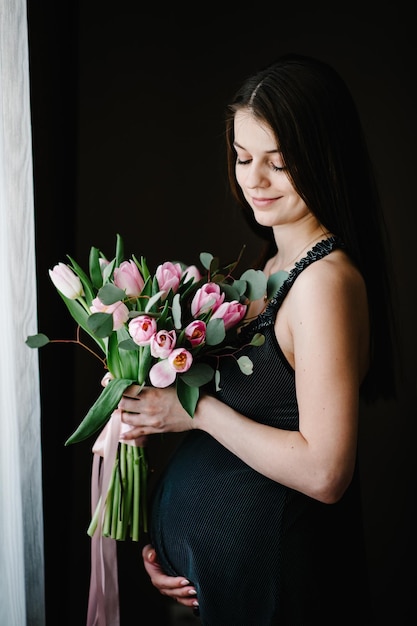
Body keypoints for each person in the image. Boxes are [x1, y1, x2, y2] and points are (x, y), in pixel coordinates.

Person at [116, 53, 397, 625]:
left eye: (279, 161)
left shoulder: (324, 284)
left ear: (324, 159)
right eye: (243, 157)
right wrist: (177, 547)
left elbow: (325, 472)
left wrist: (192, 412)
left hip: (277, 595)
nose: (254, 180)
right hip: (221, 592)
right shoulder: (272, 268)